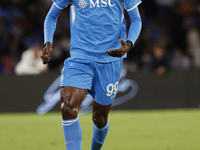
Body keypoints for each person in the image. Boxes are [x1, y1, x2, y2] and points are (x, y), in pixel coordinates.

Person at [40, 0, 142, 149]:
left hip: (110, 61)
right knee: (68, 108)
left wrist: (129, 43)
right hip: (80, 59)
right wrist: (48, 42)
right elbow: (51, 16)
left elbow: (136, 19)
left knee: (99, 118)